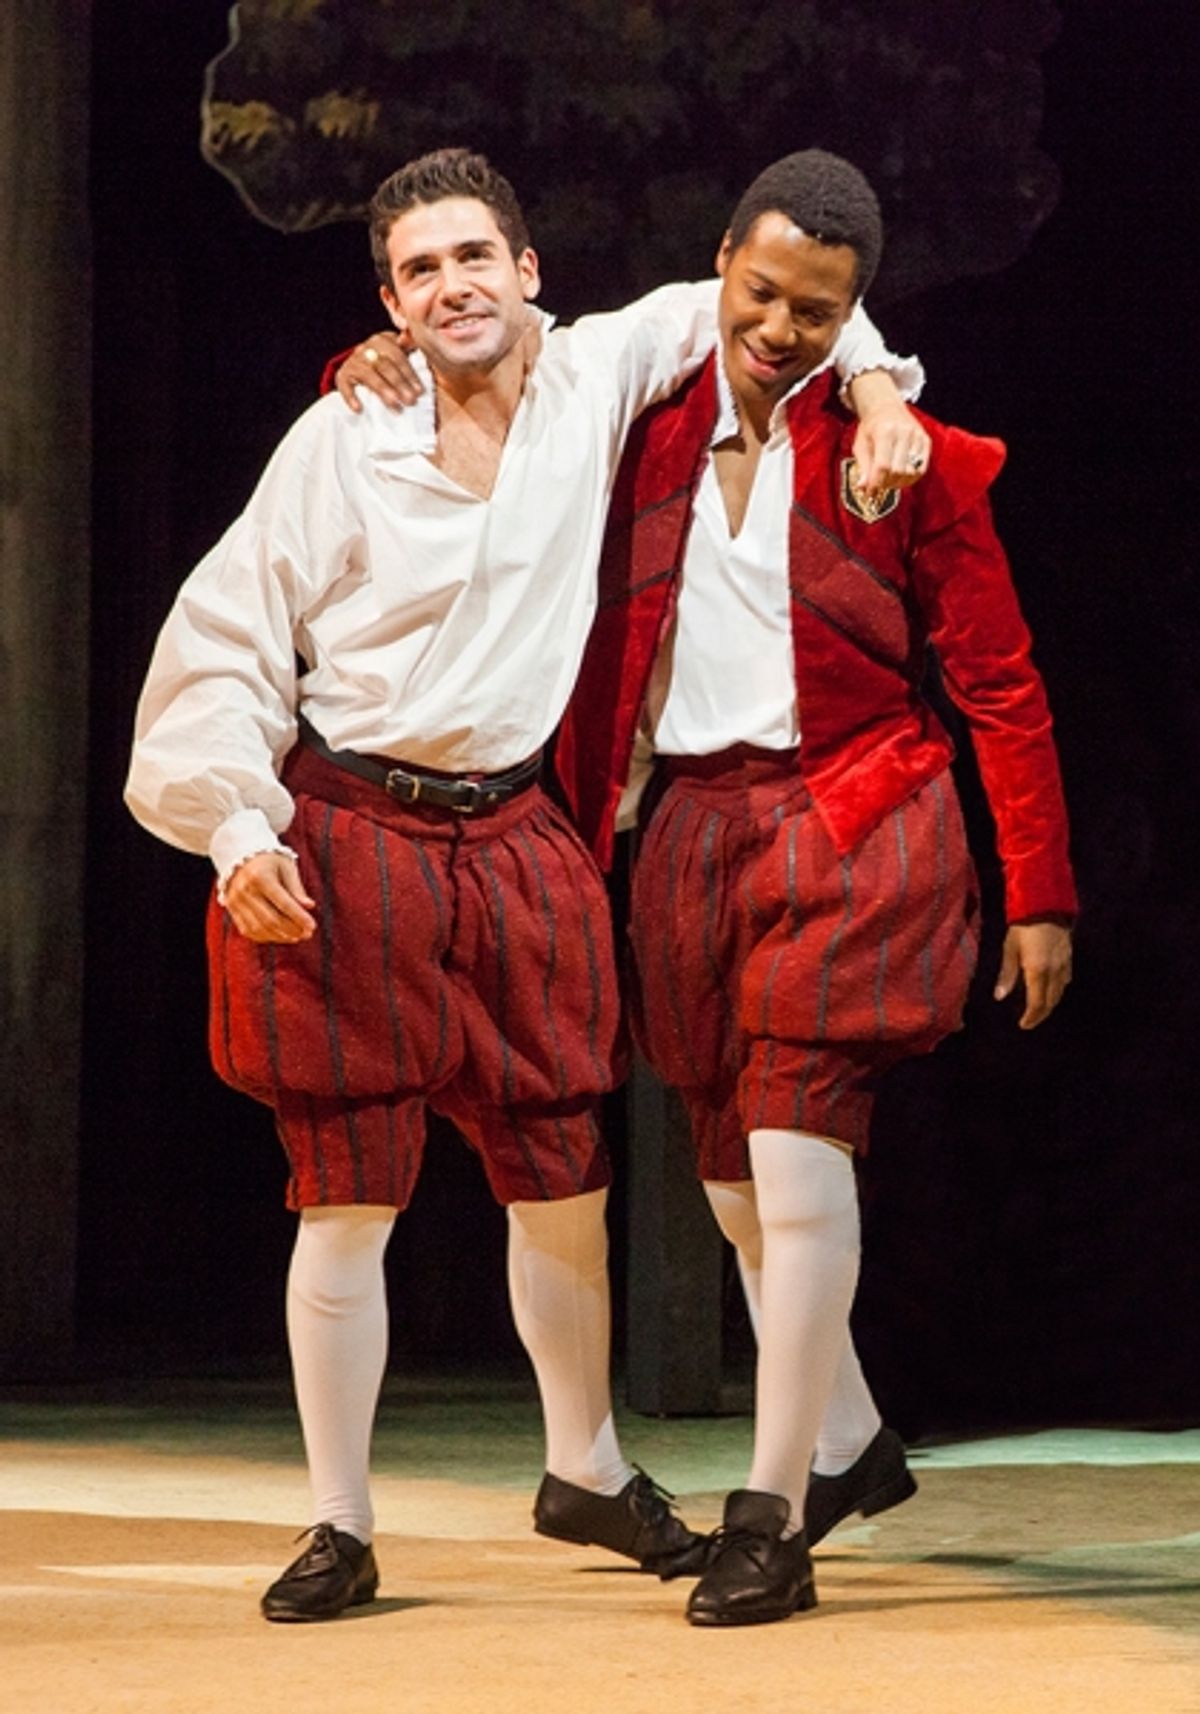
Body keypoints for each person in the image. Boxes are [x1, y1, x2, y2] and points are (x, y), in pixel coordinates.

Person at [126, 146, 926, 1623]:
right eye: (420, 271)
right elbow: (226, 640)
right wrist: (239, 833)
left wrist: (879, 388)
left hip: (517, 839)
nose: (452, 287)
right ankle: (340, 1523)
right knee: (347, 1189)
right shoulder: (338, 439)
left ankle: (587, 1468)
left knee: (562, 1170)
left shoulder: (596, 375)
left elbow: (782, 299)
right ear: (391, 299)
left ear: (528, 268)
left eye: (473, 257)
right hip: (352, 823)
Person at [551, 149, 1076, 1626]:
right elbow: (491, 375)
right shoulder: (642, 434)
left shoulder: (911, 457)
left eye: (819, 309)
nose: (782, 327)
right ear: (723, 264)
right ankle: (847, 1440)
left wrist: (1039, 889)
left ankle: (771, 1512)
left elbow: (999, 678)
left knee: (795, 1156)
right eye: (764, 293)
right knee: (730, 1181)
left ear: (856, 311)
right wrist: (370, 365)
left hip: (857, 820)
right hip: (692, 836)